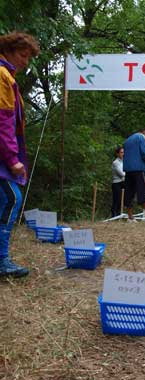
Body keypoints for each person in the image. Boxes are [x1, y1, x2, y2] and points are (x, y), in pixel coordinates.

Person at [0, 32, 40, 277]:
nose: (26, 61)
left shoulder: (8, 77)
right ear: (8, 51)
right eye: (22, 55)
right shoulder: (2, 76)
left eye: (28, 57)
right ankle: (1, 260)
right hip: (2, 155)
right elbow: (3, 122)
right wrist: (13, 159)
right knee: (11, 198)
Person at [123, 127, 145, 221]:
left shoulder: (127, 140)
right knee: (144, 191)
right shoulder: (141, 137)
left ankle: (130, 217)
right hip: (139, 168)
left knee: (129, 192)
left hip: (128, 169)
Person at [111, 146, 125, 217]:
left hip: (123, 182)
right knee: (116, 199)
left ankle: (119, 215)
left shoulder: (124, 161)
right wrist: (128, 173)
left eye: (123, 152)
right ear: (117, 154)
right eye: (121, 152)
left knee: (121, 201)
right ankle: (114, 215)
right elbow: (121, 174)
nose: (123, 154)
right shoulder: (115, 163)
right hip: (116, 183)